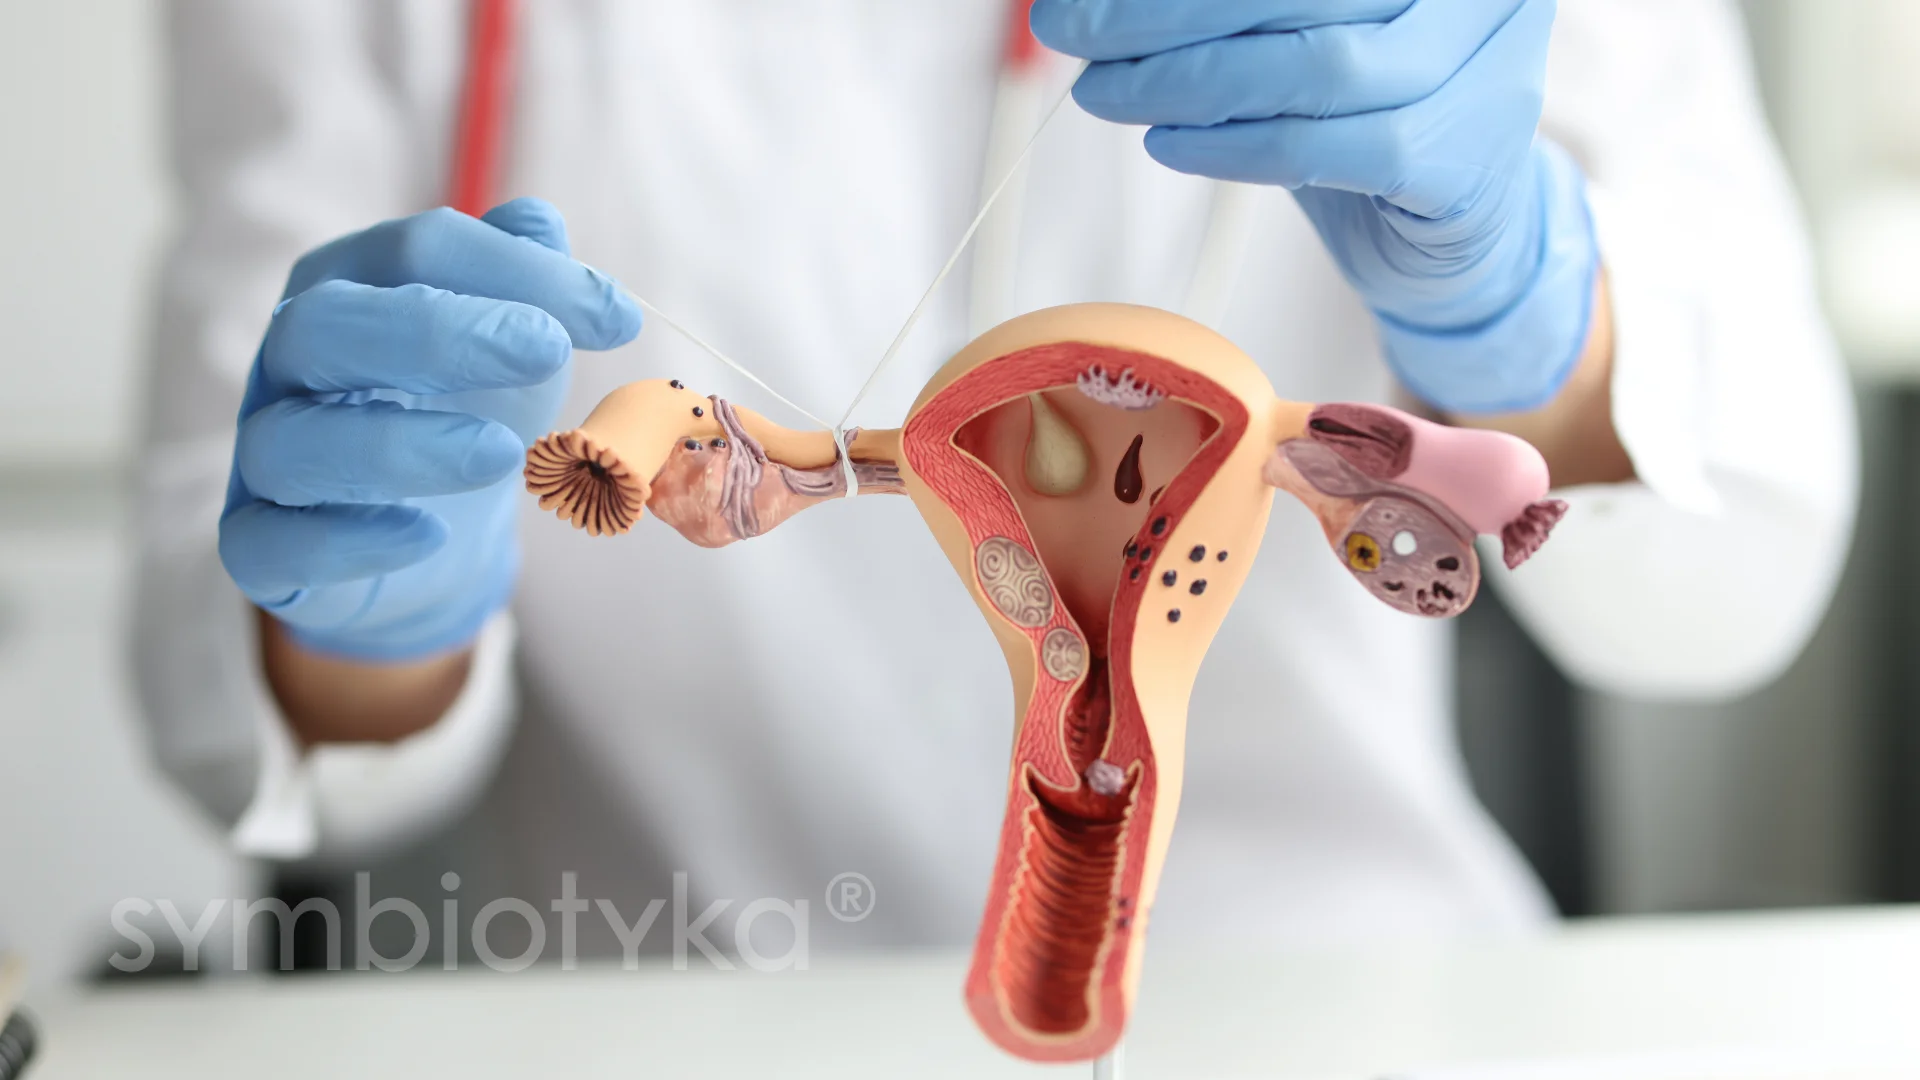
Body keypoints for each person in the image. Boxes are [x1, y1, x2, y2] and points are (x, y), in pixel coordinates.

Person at [135, 0, 1856, 959]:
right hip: (673, 1000)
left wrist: (1522, 308)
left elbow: (1740, 562)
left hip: (1342, 993)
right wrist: (364, 607)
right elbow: (267, 737)